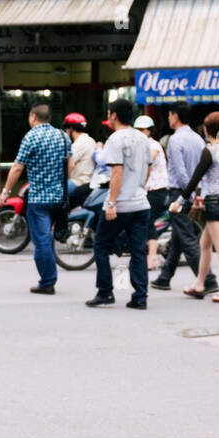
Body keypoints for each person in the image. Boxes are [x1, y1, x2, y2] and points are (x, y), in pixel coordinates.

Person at [87, 98, 151, 309]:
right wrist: (138, 187)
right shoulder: (143, 139)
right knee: (139, 250)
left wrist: (112, 202)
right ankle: (140, 296)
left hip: (121, 204)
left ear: (114, 115)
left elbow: (116, 172)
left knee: (101, 245)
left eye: (108, 113)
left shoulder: (115, 139)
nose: (108, 117)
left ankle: (105, 292)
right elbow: (148, 168)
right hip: (141, 203)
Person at [170, 110, 219, 303]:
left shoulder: (210, 150)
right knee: (204, 244)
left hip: (214, 202)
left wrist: (180, 201)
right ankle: (199, 285)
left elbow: (195, 179)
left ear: (208, 130)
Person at [0, 104, 68, 294]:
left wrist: (6, 190)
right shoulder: (63, 136)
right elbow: (69, 166)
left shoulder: (31, 137)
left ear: (32, 117)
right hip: (59, 197)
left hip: (39, 198)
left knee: (42, 239)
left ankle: (47, 281)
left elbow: (17, 167)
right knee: (48, 238)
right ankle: (48, 277)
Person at [152, 102, 218, 294]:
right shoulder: (197, 139)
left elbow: (180, 173)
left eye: (170, 114)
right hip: (194, 191)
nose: (168, 118)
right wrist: (196, 191)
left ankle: (208, 280)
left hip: (180, 193)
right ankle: (165, 277)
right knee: (179, 236)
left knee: (187, 238)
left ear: (175, 116)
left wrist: (184, 196)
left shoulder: (175, 140)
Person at [136, 115, 169, 272]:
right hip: (145, 189)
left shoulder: (153, 145)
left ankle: (152, 258)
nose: (140, 133)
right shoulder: (139, 145)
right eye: (137, 130)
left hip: (156, 190)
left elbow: (147, 160)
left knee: (149, 222)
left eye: (143, 130)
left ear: (149, 131)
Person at [64, 112, 97, 208]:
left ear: (70, 129)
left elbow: (70, 164)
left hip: (79, 181)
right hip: (87, 180)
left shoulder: (80, 143)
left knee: (53, 192)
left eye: (66, 128)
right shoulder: (90, 140)